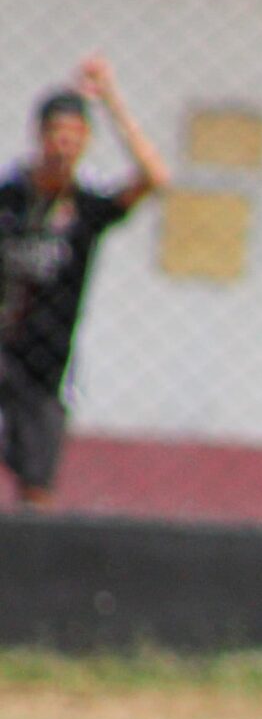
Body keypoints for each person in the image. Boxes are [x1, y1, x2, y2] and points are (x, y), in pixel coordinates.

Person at [0, 56, 167, 507]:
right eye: (58, 134)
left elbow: (154, 178)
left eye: (76, 138)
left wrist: (111, 100)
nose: (65, 147)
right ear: (40, 136)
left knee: (37, 491)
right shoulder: (10, 197)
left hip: (46, 366)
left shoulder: (86, 209)